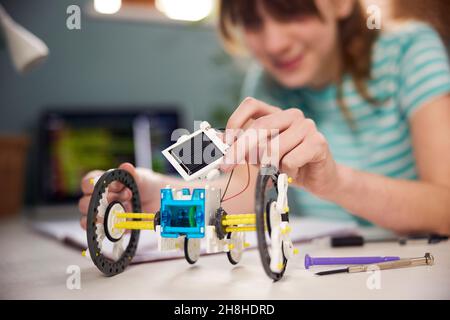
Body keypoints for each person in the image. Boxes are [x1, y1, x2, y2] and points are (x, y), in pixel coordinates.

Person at [79, 0, 450, 235]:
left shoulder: (410, 50)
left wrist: (334, 181)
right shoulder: (267, 82)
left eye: (293, 10)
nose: (273, 44)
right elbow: (242, 188)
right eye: (252, 21)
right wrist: (159, 196)